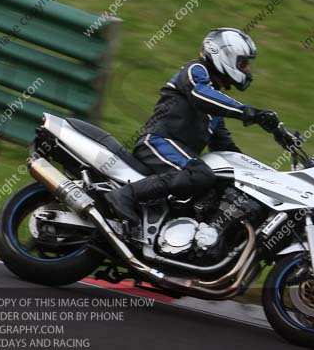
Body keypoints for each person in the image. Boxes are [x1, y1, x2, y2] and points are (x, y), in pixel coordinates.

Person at [104, 27, 282, 226]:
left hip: (180, 156)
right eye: (243, 63)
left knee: (220, 183)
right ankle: (125, 195)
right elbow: (200, 95)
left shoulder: (215, 109)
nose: (247, 69)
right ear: (222, 54)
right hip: (157, 143)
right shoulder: (195, 70)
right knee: (201, 174)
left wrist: (263, 178)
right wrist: (248, 112)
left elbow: (228, 151)